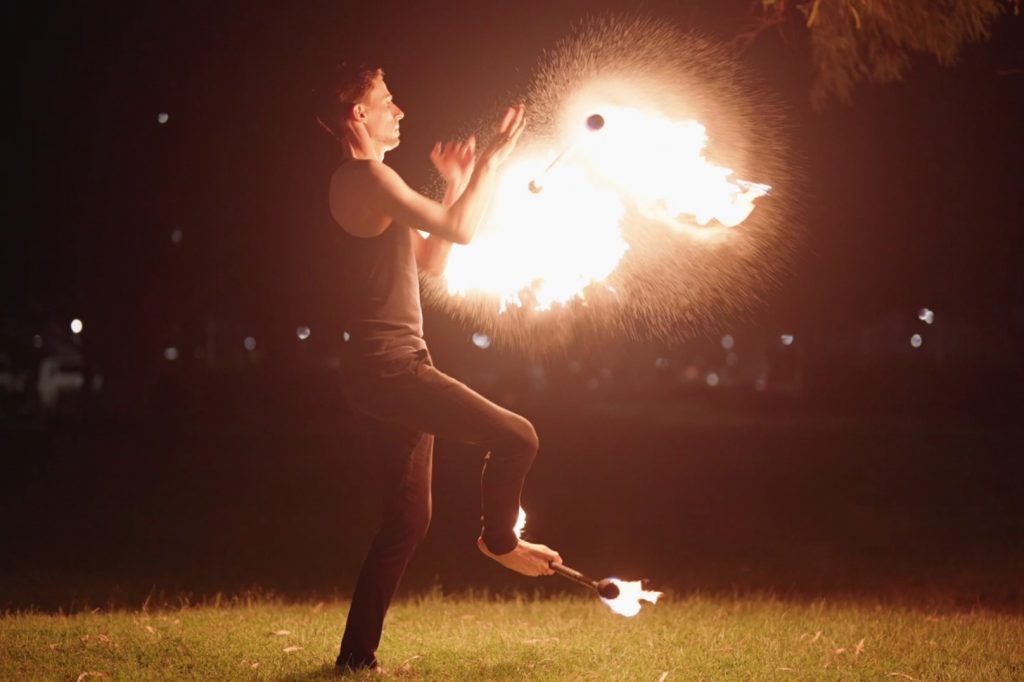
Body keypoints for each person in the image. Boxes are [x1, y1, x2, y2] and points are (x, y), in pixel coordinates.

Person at [316, 63, 562, 673]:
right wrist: (490, 164)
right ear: (358, 115)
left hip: (388, 367)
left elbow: (435, 260)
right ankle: (498, 540)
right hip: (390, 367)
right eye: (387, 101)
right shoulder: (366, 177)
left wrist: (454, 183)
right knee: (518, 435)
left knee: (406, 522)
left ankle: (355, 659)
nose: (399, 111)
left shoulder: (371, 181)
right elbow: (461, 233)